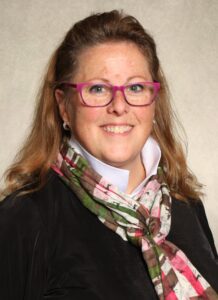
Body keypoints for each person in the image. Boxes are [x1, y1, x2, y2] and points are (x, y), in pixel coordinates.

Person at [0, 10, 217, 300]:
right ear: (64, 106)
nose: (118, 106)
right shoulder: (24, 218)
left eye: (136, 87)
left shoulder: (184, 204)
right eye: (98, 88)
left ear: (154, 101)